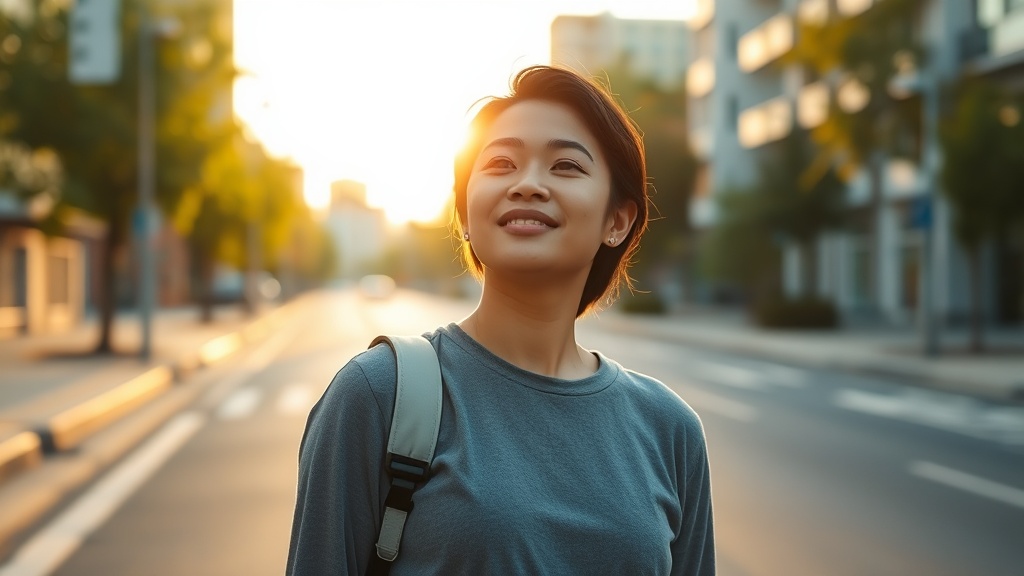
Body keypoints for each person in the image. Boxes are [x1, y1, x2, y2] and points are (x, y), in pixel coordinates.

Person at [286, 65, 715, 575]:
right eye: (501, 163)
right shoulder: (376, 394)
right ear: (466, 214)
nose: (528, 184)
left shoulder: (671, 431)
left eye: (566, 166)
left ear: (617, 220)